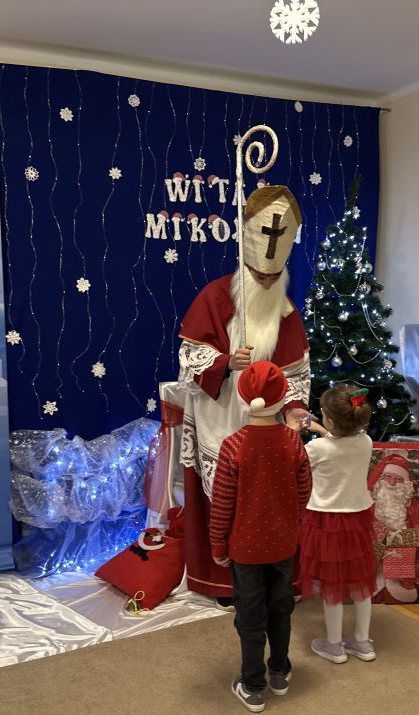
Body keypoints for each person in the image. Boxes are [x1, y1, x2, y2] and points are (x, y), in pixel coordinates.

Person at [177, 184, 312, 603]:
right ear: (246, 266)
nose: (267, 282)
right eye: (259, 276)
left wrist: (295, 409)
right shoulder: (215, 297)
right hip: (221, 416)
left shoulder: (286, 311)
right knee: (225, 499)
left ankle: (271, 580)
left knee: (266, 502)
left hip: (267, 426)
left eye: (273, 277)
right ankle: (225, 582)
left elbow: (296, 372)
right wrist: (224, 362)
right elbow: (190, 357)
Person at [209, 361, 312, 712]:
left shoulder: (233, 445)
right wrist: (289, 521)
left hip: (246, 549)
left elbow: (222, 503)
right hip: (283, 544)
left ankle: (253, 685)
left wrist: (218, 544)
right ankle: (280, 671)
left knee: (250, 615)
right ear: (283, 397)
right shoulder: (292, 441)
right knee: (281, 608)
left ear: (243, 397)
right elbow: (304, 491)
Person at [293, 385, 378, 664]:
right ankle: (362, 641)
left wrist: (297, 432)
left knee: (331, 584)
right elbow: (340, 445)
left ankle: (333, 645)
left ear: (329, 419)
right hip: (357, 518)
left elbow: (298, 462)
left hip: (324, 520)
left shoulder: (315, 449)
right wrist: (323, 430)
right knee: (359, 581)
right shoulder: (366, 442)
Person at [369, 452, 419, 603]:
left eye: (398, 479)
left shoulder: (412, 508)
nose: (392, 483)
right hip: (371, 571)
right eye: (388, 476)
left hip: (401, 575)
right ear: (380, 479)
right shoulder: (368, 506)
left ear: (405, 484)